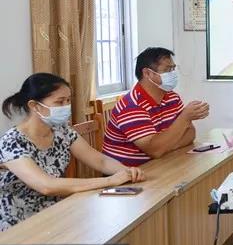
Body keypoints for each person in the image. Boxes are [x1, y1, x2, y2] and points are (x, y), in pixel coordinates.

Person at [0, 73, 145, 231]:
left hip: (54, 214)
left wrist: (128, 172)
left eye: (68, 100)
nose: (66, 106)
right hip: (18, 226)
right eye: (59, 102)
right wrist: (110, 181)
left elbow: (100, 161)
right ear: (34, 106)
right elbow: (46, 185)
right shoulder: (12, 142)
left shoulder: (61, 130)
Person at [103, 47, 209, 166]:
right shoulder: (132, 105)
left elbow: (190, 135)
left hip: (160, 164)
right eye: (167, 70)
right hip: (127, 174)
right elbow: (155, 150)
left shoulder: (172, 97)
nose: (173, 74)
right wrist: (185, 117)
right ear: (147, 73)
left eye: (173, 69)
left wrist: (165, 147)